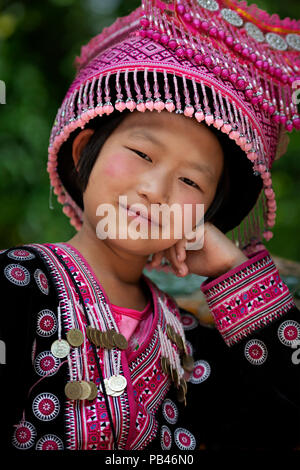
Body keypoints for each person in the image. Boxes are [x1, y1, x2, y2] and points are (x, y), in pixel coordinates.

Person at [1, 0, 300, 452]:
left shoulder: (190, 346)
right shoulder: (16, 285)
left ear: (206, 215)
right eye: (142, 154)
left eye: (189, 181)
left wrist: (236, 274)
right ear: (85, 152)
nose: (156, 189)